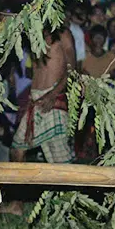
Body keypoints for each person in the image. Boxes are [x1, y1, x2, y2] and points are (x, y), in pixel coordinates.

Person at [11, 26, 76, 165]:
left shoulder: (63, 34)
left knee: (59, 161)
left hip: (54, 99)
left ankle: (72, 187)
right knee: (17, 150)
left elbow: (73, 70)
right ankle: (17, 186)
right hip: (36, 100)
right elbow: (36, 71)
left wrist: (53, 94)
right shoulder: (34, 35)